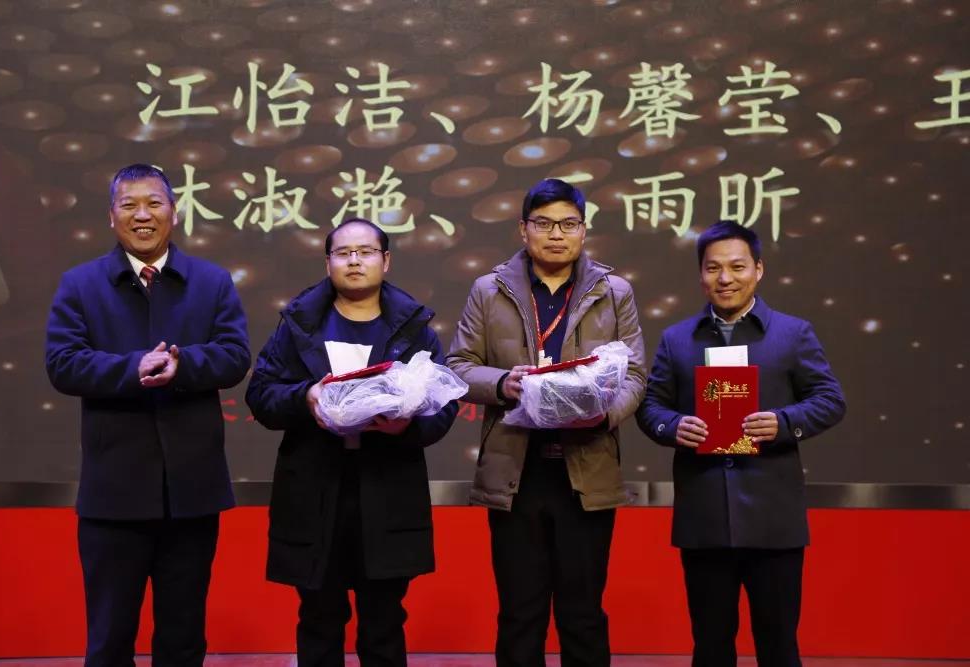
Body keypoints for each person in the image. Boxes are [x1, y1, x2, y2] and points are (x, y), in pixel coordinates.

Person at [45, 163, 250, 666]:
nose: (143, 215)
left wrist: (184, 365)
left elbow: (235, 356)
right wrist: (131, 368)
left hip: (192, 491)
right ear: (111, 215)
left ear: (174, 213)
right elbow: (63, 364)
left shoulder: (211, 281)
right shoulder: (80, 284)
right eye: (129, 205)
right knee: (110, 636)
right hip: (113, 493)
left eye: (154, 203)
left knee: (183, 636)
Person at [447, 178, 646, 667]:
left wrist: (605, 413)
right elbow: (458, 367)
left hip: (586, 470)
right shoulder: (488, 290)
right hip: (517, 471)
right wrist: (504, 383)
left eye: (568, 224)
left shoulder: (613, 291)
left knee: (583, 615)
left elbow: (636, 374)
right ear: (523, 229)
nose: (556, 234)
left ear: (584, 229)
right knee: (520, 613)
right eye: (544, 224)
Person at [245, 218, 458, 667]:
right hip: (315, 487)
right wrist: (305, 396)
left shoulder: (413, 326)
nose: (355, 261)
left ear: (386, 260)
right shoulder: (299, 323)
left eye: (366, 252)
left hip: (388, 488)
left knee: (384, 621)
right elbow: (261, 395)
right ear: (328, 263)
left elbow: (444, 406)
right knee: (319, 618)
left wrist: (405, 427)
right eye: (343, 253)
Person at [636, 220, 847, 667]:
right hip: (704, 517)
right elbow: (650, 406)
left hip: (774, 519)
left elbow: (830, 400)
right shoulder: (677, 339)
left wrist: (784, 422)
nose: (725, 278)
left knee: (779, 646)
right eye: (713, 268)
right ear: (700, 273)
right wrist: (673, 427)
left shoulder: (792, 333)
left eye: (737, 266)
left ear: (758, 269)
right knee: (710, 646)